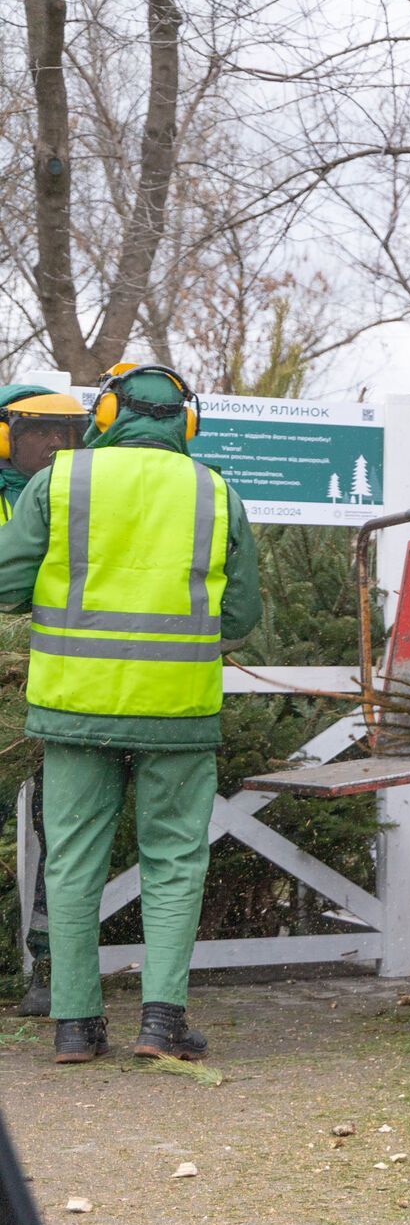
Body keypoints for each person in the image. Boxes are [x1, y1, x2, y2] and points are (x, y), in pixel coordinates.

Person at [0, 365, 261, 1063]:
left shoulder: (58, 480)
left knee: (74, 863)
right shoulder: (216, 492)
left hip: (74, 705)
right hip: (177, 711)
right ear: (188, 423)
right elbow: (240, 615)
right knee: (174, 861)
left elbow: (4, 584)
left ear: (106, 414)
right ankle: (161, 1022)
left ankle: (76, 1025)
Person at [0, 386, 89, 1019]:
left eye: (69, 433)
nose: (57, 446)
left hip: (57, 684)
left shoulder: (76, 497)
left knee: (57, 831)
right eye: (41, 433)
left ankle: (47, 968)